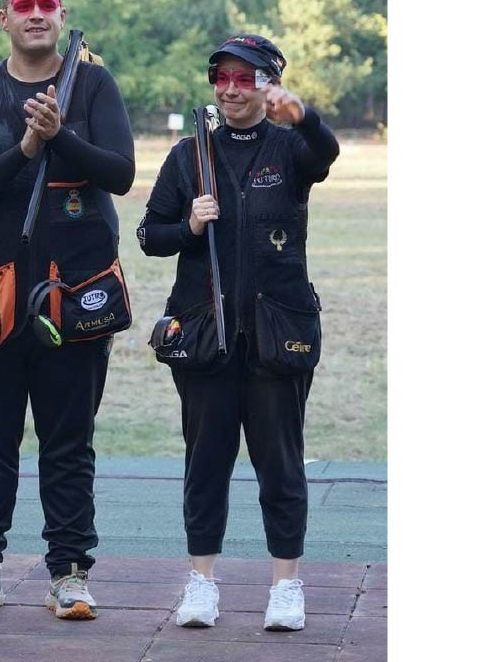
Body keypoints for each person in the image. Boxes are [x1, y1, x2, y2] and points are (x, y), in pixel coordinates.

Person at [0, 0, 135, 620]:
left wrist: (61, 136)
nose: (37, 13)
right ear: (4, 17)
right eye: (24, 4)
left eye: (48, 2)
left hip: (75, 294)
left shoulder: (94, 84)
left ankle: (69, 573)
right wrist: (25, 147)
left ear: (61, 11)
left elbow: (122, 172)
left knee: (68, 441)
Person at [135, 34, 339, 632]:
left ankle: (286, 586)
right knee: (206, 463)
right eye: (221, 77)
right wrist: (190, 226)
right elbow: (151, 236)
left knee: (281, 464)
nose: (230, 89)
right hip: (205, 335)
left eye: (245, 79)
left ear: (269, 85)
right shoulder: (188, 155)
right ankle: (201, 582)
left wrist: (304, 115)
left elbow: (323, 154)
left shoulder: (291, 147)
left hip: (278, 335)